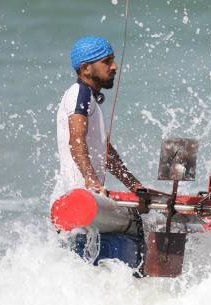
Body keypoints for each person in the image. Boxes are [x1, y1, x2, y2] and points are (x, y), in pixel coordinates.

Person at [52, 36, 143, 202]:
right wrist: (91, 180)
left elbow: (105, 153)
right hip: (79, 195)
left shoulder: (91, 98)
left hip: (90, 196)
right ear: (86, 68)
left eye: (113, 61)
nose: (114, 67)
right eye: (107, 62)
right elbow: (76, 140)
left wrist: (134, 185)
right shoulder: (80, 93)